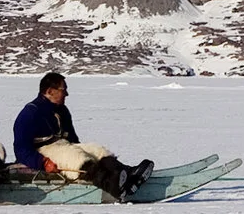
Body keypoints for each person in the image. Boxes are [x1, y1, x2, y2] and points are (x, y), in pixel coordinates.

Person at [11, 71, 153, 199]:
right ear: (49, 91)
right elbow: (21, 149)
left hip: (63, 147)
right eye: (63, 90)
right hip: (42, 152)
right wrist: (43, 162)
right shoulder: (30, 113)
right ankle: (114, 186)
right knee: (75, 157)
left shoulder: (62, 111)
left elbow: (72, 140)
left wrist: (85, 151)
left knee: (96, 150)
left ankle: (128, 174)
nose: (66, 94)